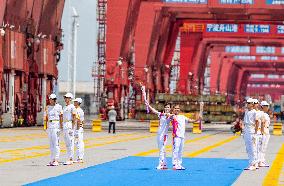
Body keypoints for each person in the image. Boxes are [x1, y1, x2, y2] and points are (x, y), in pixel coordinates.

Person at [171, 103, 200, 170]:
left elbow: (192, 121)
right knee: (176, 150)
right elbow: (167, 115)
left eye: (178, 108)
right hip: (176, 136)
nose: (177, 109)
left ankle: (179, 164)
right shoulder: (172, 116)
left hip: (182, 136)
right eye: (175, 108)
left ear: (179, 109)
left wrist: (198, 118)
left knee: (180, 151)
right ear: (173, 110)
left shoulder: (183, 117)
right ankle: (175, 164)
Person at [145, 102, 173, 170]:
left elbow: (171, 116)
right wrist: (148, 105)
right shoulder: (161, 115)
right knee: (161, 149)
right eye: (166, 107)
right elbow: (154, 111)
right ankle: (164, 164)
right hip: (159, 134)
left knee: (162, 150)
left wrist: (168, 115)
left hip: (164, 135)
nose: (167, 108)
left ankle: (161, 164)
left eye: (168, 107)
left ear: (170, 109)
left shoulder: (170, 116)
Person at [44, 93, 63, 166]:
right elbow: (46, 118)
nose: (51, 100)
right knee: (51, 144)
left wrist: (61, 126)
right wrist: (45, 127)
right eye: (50, 99)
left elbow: (61, 116)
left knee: (56, 143)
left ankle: (56, 159)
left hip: (56, 125)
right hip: (50, 126)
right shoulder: (47, 107)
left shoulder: (59, 107)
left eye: (52, 99)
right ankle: (52, 160)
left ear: (55, 100)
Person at [243, 98, 258, 170]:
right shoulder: (246, 111)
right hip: (246, 130)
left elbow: (257, 122)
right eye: (247, 103)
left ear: (252, 104)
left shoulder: (255, 112)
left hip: (251, 130)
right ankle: (251, 163)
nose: (247, 104)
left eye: (249, 103)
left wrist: (255, 132)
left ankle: (254, 163)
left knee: (252, 147)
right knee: (248, 147)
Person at [62, 93, 77, 165]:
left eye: (67, 98)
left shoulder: (72, 107)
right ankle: (69, 158)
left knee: (70, 142)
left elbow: (74, 117)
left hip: (69, 124)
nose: (65, 99)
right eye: (65, 97)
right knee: (67, 143)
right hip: (65, 124)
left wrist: (73, 128)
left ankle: (70, 159)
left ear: (70, 99)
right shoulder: (64, 107)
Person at [258, 101, 270, 167]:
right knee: (262, 147)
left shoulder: (265, 114)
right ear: (262, 107)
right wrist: (262, 133)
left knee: (264, 147)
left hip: (266, 130)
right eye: (266, 106)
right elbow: (261, 123)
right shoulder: (261, 114)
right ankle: (260, 161)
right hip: (264, 131)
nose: (267, 107)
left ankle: (262, 160)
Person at [73, 98, 85, 163]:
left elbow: (79, 120)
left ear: (78, 102)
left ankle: (80, 158)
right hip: (79, 128)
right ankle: (79, 158)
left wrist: (77, 129)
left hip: (78, 128)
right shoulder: (79, 110)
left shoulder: (78, 110)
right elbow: (83, 121)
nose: (74, 103)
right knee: (79, 143)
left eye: (75, 102)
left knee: (79, 143)